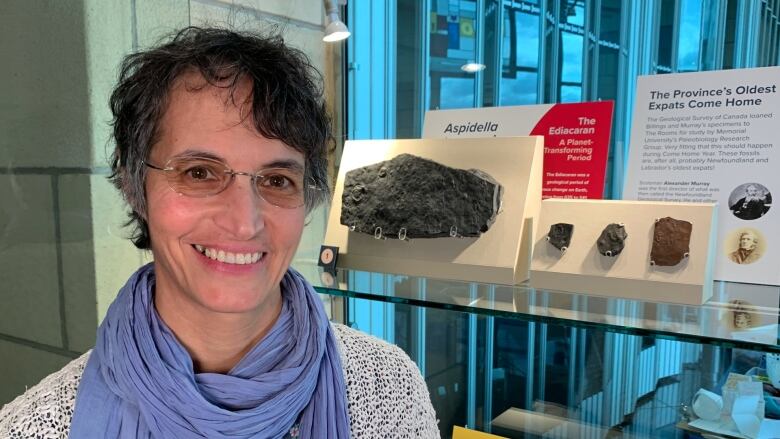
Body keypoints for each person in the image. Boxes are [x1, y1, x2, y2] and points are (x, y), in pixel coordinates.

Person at [0, 27, 439, 438]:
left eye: (276, 180)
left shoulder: (388, 393)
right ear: (135, 187)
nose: (243, 222)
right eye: (199, 173)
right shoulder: (38, 425)